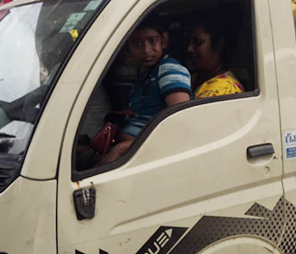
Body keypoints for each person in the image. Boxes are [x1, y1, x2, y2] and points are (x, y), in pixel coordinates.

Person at [101, 18, 192, 164]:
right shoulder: (147, 75)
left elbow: (179, 124)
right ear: (128, 48)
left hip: (145, 156)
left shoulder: (169, 70)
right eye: (137, 43)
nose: (146, 50)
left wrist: (123, 148)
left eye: (153, 41)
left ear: (164, 41)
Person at [187, 18, 243, 99]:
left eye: (198, 42)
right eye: (189, 41)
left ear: (218, 44)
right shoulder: (196, 78)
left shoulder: (224, 89)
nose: (190, 49)